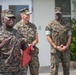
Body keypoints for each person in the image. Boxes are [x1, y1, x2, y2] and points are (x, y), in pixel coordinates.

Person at [0, 9, 28, 75]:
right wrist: (2, 44)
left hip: (18, 69)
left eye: (13, 18)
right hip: (4, 70)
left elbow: (23, 44)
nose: (12, 19)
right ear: (3, 19)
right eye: (9, 18)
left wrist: (28, 48)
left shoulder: (17, 32)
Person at [45, 7, 72, 75]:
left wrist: (66, 47)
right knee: (54, 69)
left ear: (62, 14)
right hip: (55, 50)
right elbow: (48, 36)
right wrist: (56, 47)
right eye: (56, 14)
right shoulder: (50, 24)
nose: (58, 15)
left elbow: (69, 36)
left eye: (59, 14)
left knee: (66, 68)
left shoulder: (67, 24)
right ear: (54, 14)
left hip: (65, 49)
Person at [14, 8, 39, 75]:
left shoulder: (33, 26)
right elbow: (15, 41)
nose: (28, 16)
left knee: (35, 72)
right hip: (23, 54)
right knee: (22, 72)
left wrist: (32, 45)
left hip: (33, 53)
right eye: (26, 15)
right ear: (22, 15)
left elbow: (37, 39)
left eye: (29, 15)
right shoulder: (17, 27)